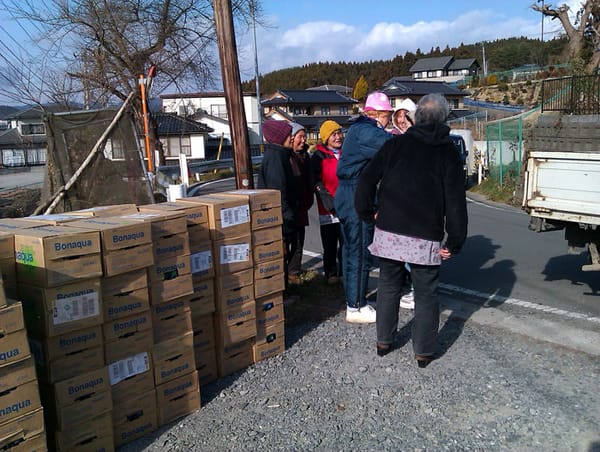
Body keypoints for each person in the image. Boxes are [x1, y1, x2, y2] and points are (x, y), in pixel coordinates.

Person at [355, 93, 468, 367]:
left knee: (389, 283)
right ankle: (423, 352)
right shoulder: (448, 152)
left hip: (389, 228)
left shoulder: (396, 144)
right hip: (425, 232)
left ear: (416, 118)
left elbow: (367, 179)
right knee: (426, 292)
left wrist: (367, 213)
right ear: (443, 119)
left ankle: (384, 341)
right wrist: (454, 241)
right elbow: (455, 201)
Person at [335, 92, 394, 324]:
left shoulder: (359, 129)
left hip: (352, 192)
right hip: (355, 193)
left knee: (353, 249)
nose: (389, 120)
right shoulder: (367, 132)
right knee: (358, 250)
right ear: (378, 114)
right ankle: (356, 305)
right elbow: (392, 146)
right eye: (388, 115)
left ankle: (355, 300)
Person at [257, 119, 299, 299]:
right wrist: (288, 216)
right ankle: (281, 295)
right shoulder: (276, 159)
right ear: (279, 137)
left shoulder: (279, 155)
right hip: (278, 218)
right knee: (279, 255)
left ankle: (283, 292)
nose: (292, 138)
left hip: (280, 216)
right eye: (288, 135)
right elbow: (278, 192)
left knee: (282, 254)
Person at [390, 97, 418, 310]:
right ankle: (407, 285)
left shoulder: (420, 138)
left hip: (415, 201)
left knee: (414, 246)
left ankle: (418, 290)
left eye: (405, 115)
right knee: (400, 247)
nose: (402, 120)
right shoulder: (391, 138)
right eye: (398, 115)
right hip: (396, 201)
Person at [311, 120, 343, 285]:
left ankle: (344, 272)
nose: (338, 137)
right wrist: (329, 203)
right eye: (333, 134)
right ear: (325, 138)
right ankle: (331, 273)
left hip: (345, 206)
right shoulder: (318, 156)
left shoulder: (346, 152)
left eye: (339, 133)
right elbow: (317, 182)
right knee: (330, 244)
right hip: (327, 209)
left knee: (346, 243)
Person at [287, 122, 314, 284]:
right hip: (290, 205)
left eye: (304, 136)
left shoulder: (306, 156)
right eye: (300, 136)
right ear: (291, 138)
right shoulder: (285, 156)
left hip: (302, 205)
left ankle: (293, 272)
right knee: (287, 240)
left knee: (299, 241)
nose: (303, 140)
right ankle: (285, 272)